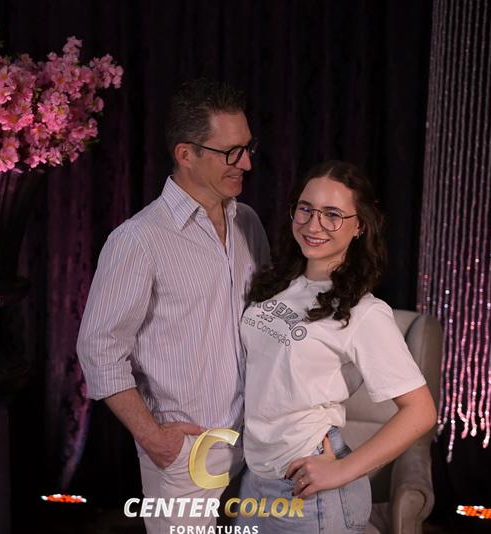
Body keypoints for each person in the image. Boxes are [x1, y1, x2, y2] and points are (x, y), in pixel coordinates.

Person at [76, 79, 270, 533]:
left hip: (257, 445)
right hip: (187, 453)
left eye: (248, 147)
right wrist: (153, 437)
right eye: (231, 152)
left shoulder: (248, 223)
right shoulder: (138, 239)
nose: (246, 162)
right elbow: (99, 350)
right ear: (186, 154)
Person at [235, 160, 437, 533]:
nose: (313, 225)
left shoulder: (364, 312)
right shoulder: (278, 284)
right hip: (256, 478)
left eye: (332, 215)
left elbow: (421, 411)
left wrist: (343, 470)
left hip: (308, 489)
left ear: (359, 226)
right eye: (306, 209)